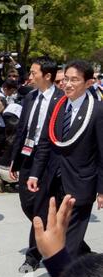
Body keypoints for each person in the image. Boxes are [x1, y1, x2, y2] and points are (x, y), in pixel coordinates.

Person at [27, 60, 103, 260]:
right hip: (54, 180)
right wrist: (35, 173)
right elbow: (45, 142)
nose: (68, 84)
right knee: (54, 229)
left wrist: (102, 190)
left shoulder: (97, 110)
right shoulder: (58, 106)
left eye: (75, 80)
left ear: (89, 83)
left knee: (69, 242)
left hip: (81, 182)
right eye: (66, 79)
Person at [9, 56, 64, 272]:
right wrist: (14, 159)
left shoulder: (61, 99)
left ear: (47, 76)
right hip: (27, 157)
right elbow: (22, 130)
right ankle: (55, 232)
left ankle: (33, 255)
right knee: (27, 203)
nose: (30, 76)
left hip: (50, 160)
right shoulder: (31, 98)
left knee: (40, 206)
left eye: (33, 73)